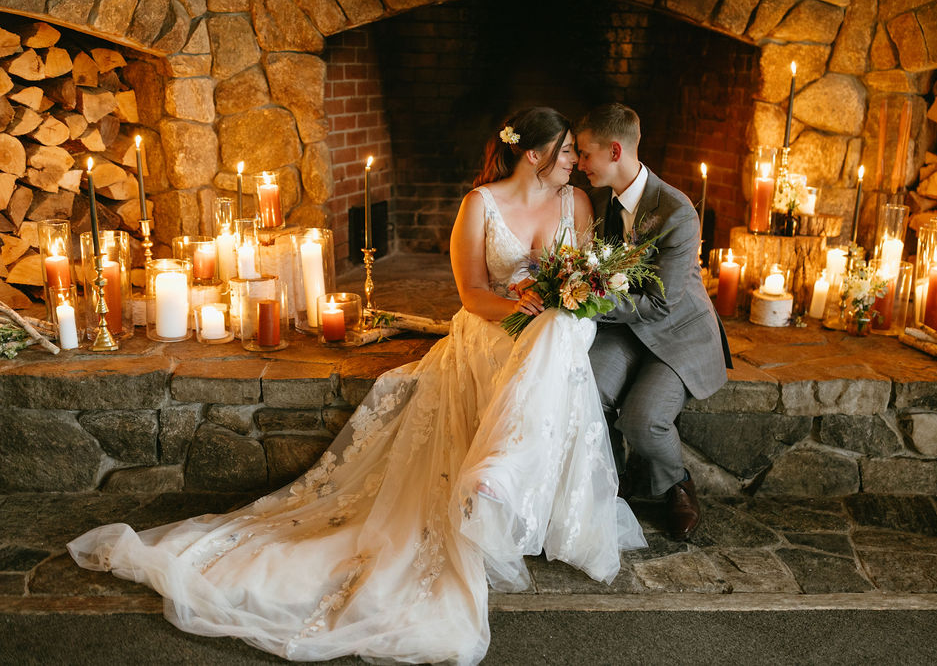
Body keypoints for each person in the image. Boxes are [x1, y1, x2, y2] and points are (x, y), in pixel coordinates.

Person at [67, 107, 644, 666]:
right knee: (552, 334)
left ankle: (504, 469)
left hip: (555, 328)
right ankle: (507, 469)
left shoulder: (576, 203)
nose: (576, 161)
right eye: (566, 152)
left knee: (561, 327)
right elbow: (471, 294)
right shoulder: (480, 205)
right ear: (535, 155)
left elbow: (581, 281)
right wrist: (519, 310)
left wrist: (557, 301)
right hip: (493, 326)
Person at [576, 103, 732, 540]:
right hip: (624, 330)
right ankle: (611, 483)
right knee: (587, 390)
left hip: (676, 333)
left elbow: (660, 304)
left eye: (585, 154)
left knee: (644, 420)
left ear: (614, 151)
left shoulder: (676, 211)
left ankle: (677, 483)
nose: (579, 163)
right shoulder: (596, 203)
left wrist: (586, 301)